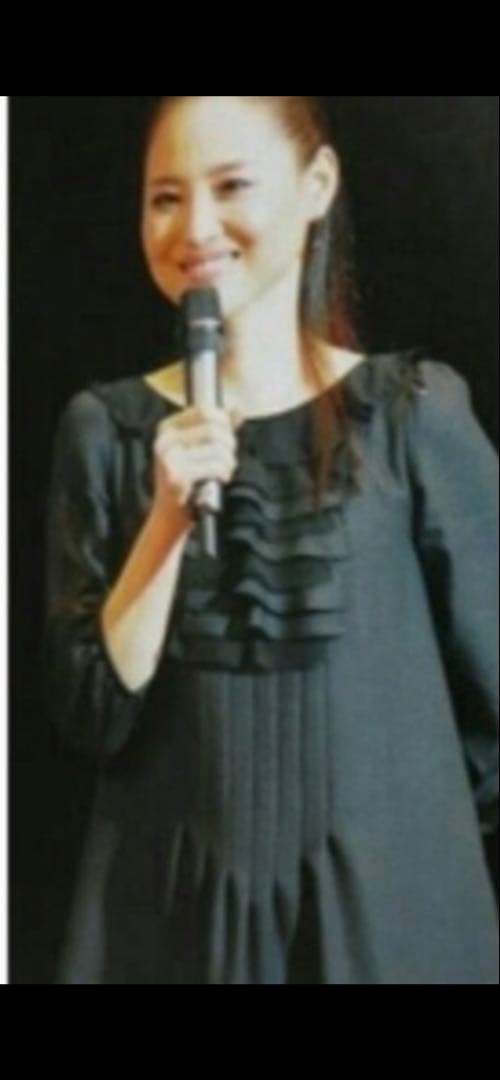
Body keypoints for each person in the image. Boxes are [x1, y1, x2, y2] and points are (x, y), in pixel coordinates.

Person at [46, 96, 498, 985]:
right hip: (173, 923)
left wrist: (417, 841)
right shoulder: (106, 431)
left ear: (316, 185)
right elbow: (89, 715)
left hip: (390, 918)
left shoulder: (410, 416)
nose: (195, 227)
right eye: (166, 197)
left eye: (231, 186)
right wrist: (166, 521)